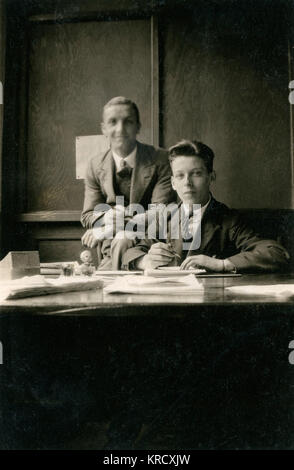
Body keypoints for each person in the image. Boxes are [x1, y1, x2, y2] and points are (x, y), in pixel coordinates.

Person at [122, 139, 290, 272]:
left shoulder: (228, 220)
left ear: (211, 177)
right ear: (173, 183)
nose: (187, 183)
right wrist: (145, 261)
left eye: (196, 174)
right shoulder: (165, 218)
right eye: (180, 176)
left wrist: (222, 264)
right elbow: (131, 254)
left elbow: (276, 253)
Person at [80, 96, 175, 269]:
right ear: (104, 129)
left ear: (138, 126)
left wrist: (108, 228)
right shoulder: (95, 164)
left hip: (149, 243)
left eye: (128, 122)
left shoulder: (161, 159)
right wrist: (104, 218)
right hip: (108, 248)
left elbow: (160, 212)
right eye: (113, 122)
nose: (120, 129)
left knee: (122, 240)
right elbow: (88, 215)